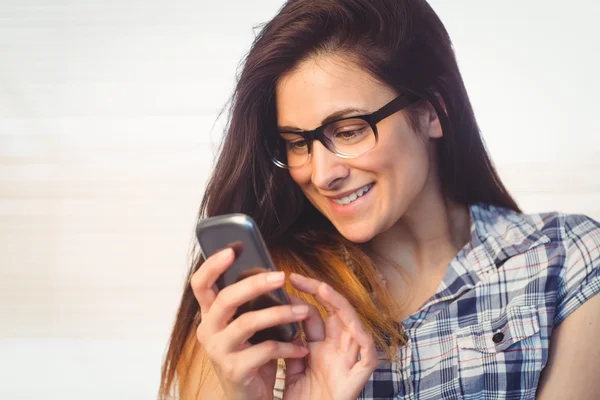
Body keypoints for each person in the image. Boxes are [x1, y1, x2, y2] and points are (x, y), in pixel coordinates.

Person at [159, 0, 600, 399]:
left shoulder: (563, 262)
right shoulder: (257, 309)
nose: (321, 173)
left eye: (349, 131)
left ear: (432, 111)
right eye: (297, 143)